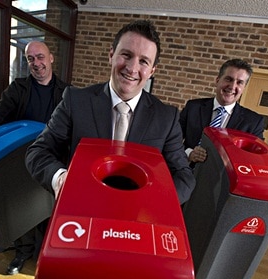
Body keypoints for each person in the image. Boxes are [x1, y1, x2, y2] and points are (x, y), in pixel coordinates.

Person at [25, 20, 195, 207]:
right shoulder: (76, 100)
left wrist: (156, 202)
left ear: (152, 71)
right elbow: (38, 152)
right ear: (111, 55)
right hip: (81, 210)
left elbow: (184, 176)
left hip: (138, 216)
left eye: (143, 61)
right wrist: (60, 179)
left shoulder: (166, 117)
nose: (132, 68)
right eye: (126, 55)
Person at [0, 41, 68, 274]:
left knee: (48, 208)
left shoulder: (67, 93)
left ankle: (46, 253)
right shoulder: (18, 89)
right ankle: (23, 252)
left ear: (51, 58)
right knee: (22, 208)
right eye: (31, 59)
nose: (37, 63)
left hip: (51, 163)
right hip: (20, 161)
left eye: (40, 57)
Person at [180, 58, 268, 230]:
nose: (232, 86)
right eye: (229, 79)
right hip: (184, 182)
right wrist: (188, 153)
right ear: (218, 80)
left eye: (240, 82)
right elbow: (171, 142)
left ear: (244, 88)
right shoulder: (193, 107)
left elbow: (258, 163)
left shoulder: (252, 122)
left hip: (220, 192)